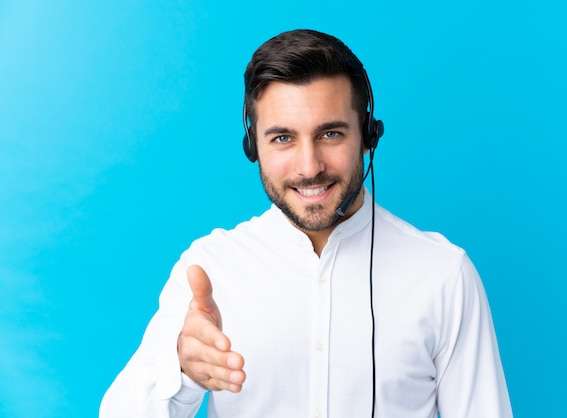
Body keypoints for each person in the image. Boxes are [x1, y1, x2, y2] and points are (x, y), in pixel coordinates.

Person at [100, 29, 512, 418]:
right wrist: (184, 371)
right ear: (253, 146)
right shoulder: (209, 267)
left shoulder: (443, 272)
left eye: (330, 133)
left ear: (368, 135)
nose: (309, 166)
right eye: (282, 138)